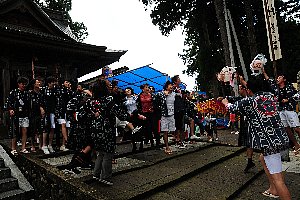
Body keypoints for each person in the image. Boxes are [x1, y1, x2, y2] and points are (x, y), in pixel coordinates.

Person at [222, 76, 291, 199]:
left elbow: (232, 108)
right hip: (281, 139)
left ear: (249, 89)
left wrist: (225, 103)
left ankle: (277, 189)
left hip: (269, 143)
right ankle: (273, 189)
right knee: (262, 158)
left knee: (279, 179)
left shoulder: (250, 102)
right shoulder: (272, 96)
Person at [262, 70, 300, 154]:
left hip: (290, 109)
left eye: (280, 77)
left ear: (284, 79)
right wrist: (264, 71)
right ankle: (296, 144)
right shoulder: (276, 88)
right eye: (277, 77)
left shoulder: (290, 87)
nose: (277, 79)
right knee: (286, 128)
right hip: (280, 110)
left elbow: (297, 96)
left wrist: (288, 99)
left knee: (296, 128)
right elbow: (269, 80)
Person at [6, 77, 31, 155]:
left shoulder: (27, 93)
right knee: (15, 131)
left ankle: (23, 148)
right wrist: (10, 109)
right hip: (16, 114)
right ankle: (13, 148)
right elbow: (8, 102)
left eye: (25, 84)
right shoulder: (13, 92)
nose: (24, 85)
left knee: (25, 131)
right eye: (22, 84)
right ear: (19, 84)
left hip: (25, 114)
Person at [156, 81, 177, 154]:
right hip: (164, 115)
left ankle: (175, 141)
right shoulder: (161, 93)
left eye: (172, 85)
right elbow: (155, 97)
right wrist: (164, 95)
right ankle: (167, 147)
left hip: (172, 114)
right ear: (166, 87)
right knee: (165, 131)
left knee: (172, 130)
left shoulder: (174, 94)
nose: (171, 86)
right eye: (169, 85)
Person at [171, 75, 186, 148]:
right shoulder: (173, 88)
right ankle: (177, 137)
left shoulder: (180, 88)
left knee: (180, 123)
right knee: (177, 123)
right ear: (175, 81)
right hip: (175, 108)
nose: (180, 80)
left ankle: (179, 138)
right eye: (178, 79)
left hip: (181, 107)